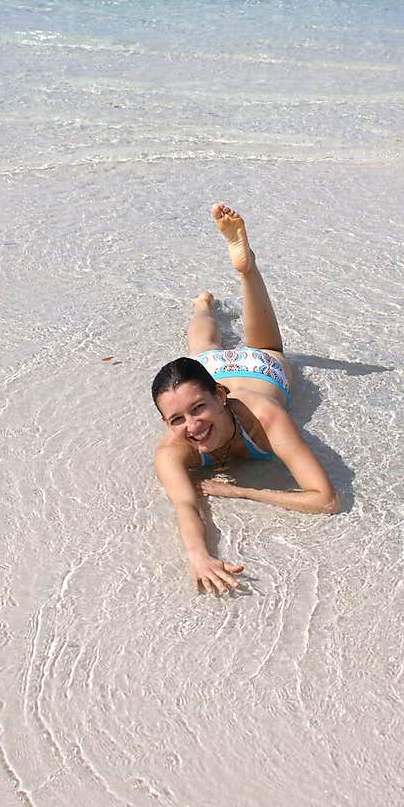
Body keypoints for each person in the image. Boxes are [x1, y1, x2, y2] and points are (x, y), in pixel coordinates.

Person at [153, 203, 339, 594]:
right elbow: (186, 506)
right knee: (202, 343)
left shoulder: (265, 418)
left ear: (220, 397)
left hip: (260, 369)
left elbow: (325, 501)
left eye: (199, 409)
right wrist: (198, 556)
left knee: (257, 345)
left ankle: (246, 270)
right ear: (166, 423)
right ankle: (203, 304)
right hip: (205, 370)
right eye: (177, 419)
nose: (192, 426)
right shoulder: (172, 450)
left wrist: (242, 492)